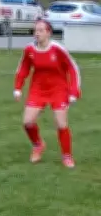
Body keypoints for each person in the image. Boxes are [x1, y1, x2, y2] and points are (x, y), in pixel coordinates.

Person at [14, 18, 81, 168]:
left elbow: (73, 68)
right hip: (38, 89)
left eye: (40, 31)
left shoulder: (58, 49)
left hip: (58, 89)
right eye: (35, 30)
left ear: (48, 33)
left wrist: (74, 91)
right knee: (27, 122)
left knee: (61, 123)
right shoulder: (29, 50)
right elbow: (23, 68)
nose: (36, 34)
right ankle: (38, 145)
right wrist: (17, 88)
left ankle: (67, 156)